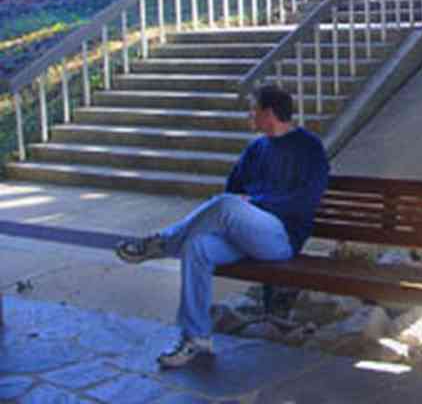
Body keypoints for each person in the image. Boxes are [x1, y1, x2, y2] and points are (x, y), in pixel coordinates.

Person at [114, 84, 330, 368]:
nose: (249, 115)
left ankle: (162, 244)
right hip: (243, 235)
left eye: (253, 110)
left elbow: (306, 200)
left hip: (281, 238)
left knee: (226, 204)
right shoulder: (256, 149)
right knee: (197, 246)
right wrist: (244, 206)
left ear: (269, 113)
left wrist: (255, 203)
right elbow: (233, 189)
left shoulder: (309, 147)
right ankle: (196, 339)